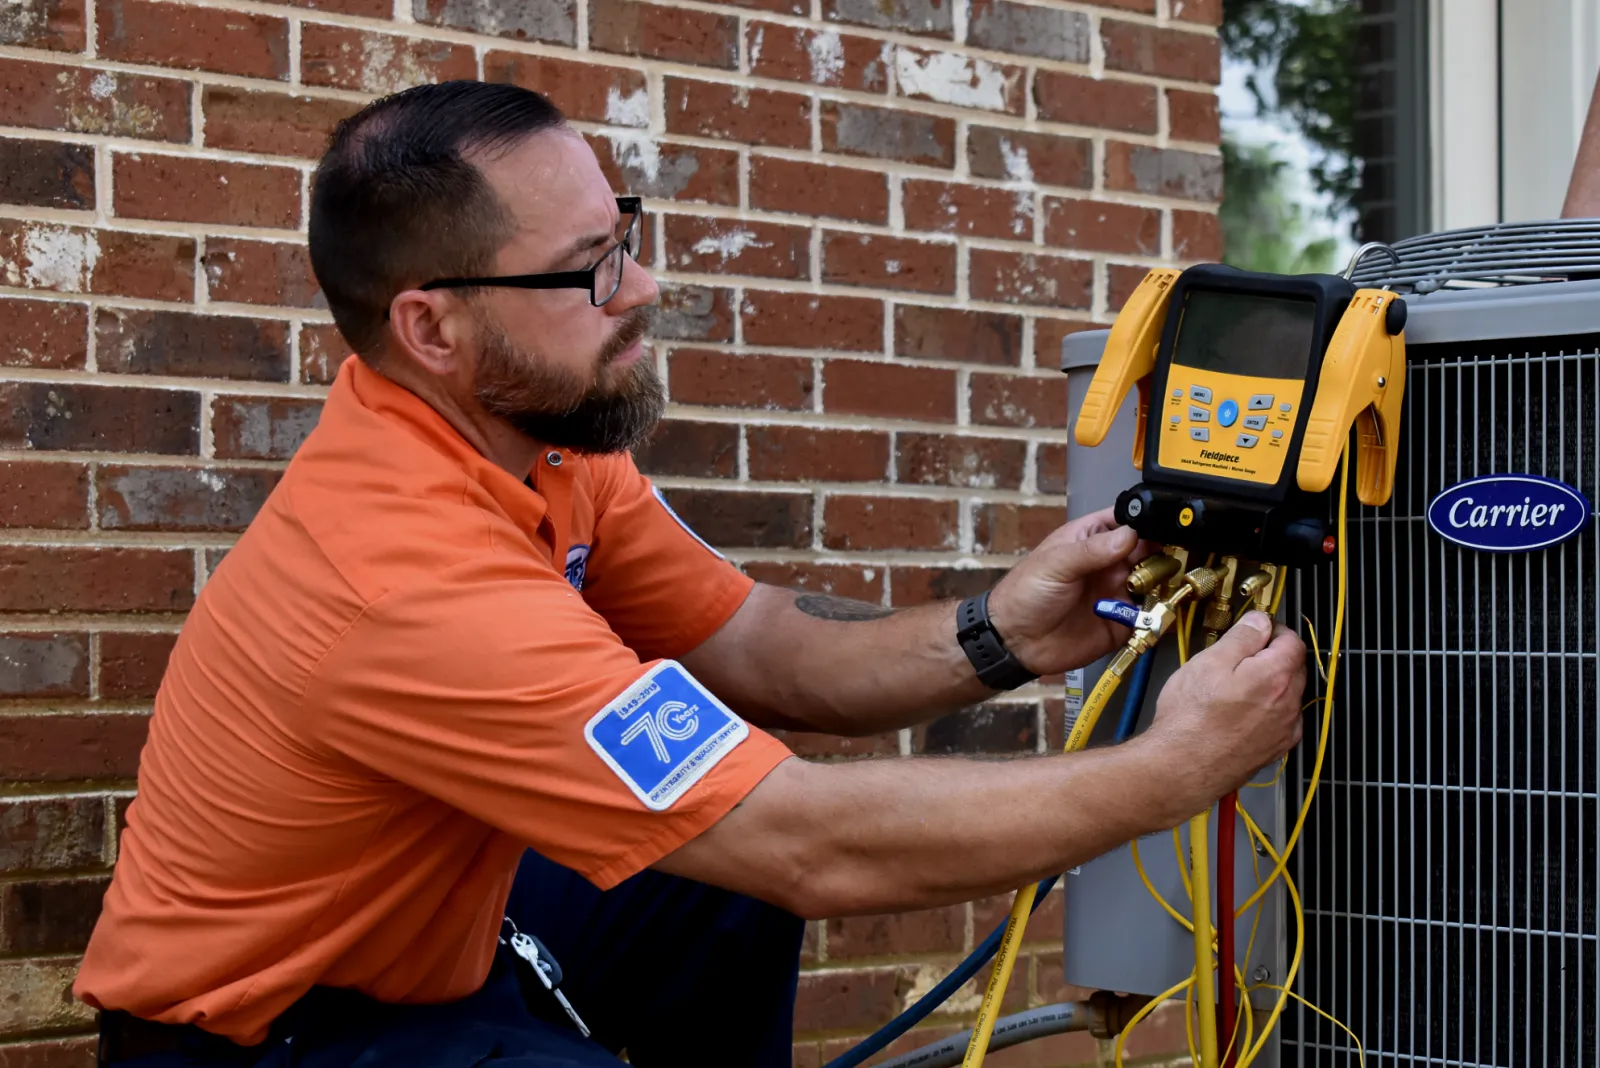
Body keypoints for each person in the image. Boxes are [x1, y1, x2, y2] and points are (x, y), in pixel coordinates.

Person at [75, 80, 1307, 1068]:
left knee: (709, 888)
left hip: (439, 936)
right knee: (741, 855)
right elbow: (803, 845)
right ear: (431, 329)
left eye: (627, 238)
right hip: (259, 1030)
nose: (644, 287)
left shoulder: (541, 440)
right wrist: (1176, 770)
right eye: (588, 269)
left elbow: (770, 653)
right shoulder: (400, 576)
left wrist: (1005, 633)